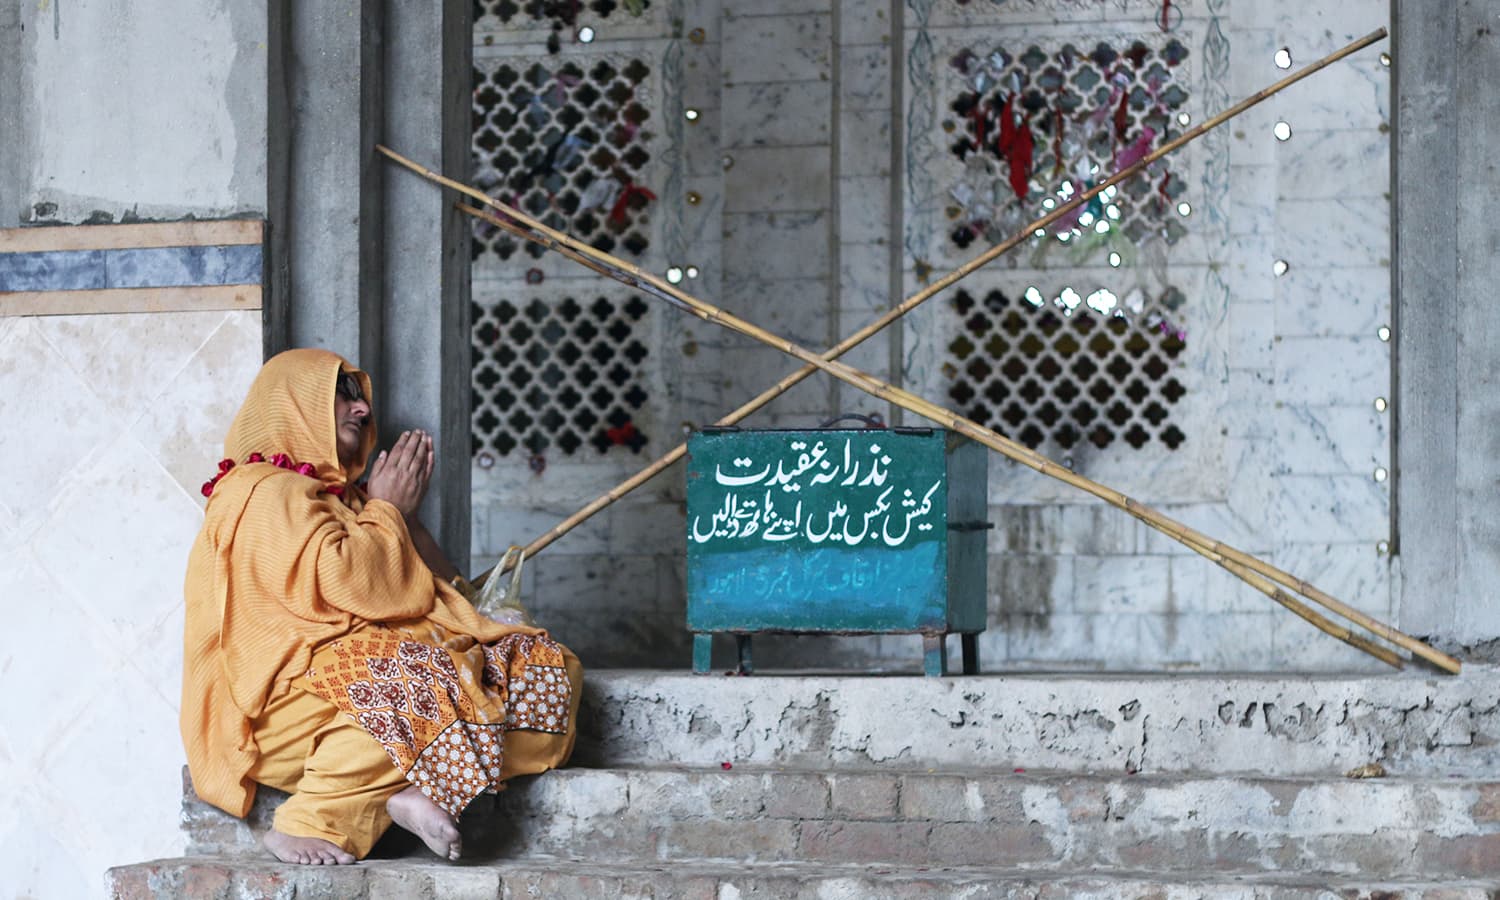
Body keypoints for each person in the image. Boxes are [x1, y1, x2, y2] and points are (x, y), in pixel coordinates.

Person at [181, 348, 581, 865]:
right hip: (288, 712)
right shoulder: (261, 491)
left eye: (361, 397)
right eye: (341, 395)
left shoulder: (347, 500)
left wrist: (402, 520)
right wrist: (387, 510)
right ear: (293, 405)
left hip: (380, 686)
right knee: (425, 675)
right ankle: (311, 821)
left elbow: (444, 590)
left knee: (546, 668)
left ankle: (427, 790)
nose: (363, 410)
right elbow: (356, 585)